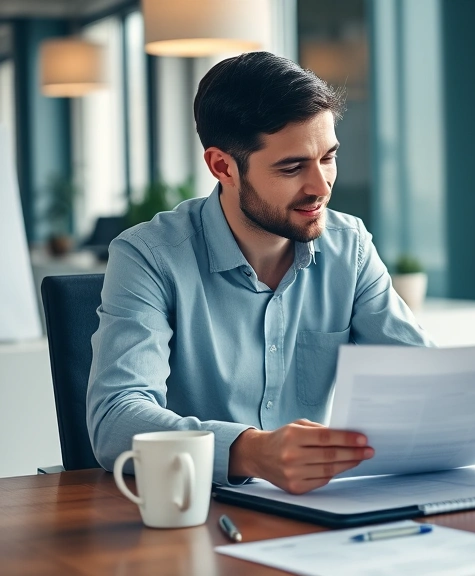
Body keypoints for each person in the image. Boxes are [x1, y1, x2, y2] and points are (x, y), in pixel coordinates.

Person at [87, 52, 433, 495]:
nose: (321, 185)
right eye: (292, 167)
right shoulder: (149, 256)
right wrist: (251, 451)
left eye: (328, 157)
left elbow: (424, 376)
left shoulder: (351, 246)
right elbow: (116, 416)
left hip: (318, 511)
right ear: (222, 166)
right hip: (194, 510)